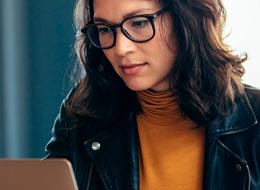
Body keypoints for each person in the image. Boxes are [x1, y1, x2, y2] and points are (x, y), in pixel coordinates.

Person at [45, 0, 260, 189]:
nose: (121, 48)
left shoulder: (255, 119)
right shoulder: (81, 116)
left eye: (139, 23)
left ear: (185, 18)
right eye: (104, 29)